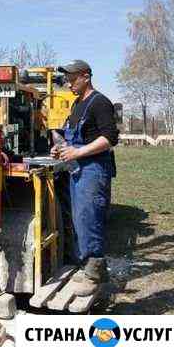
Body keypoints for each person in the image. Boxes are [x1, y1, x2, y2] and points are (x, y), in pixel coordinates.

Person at [51, 60, 119, 296]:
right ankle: (89, 268)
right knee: (80, 221)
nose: (68, 83)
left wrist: (78, 152)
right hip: (78, 170)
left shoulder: (99, 102)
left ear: (86, 76)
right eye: (67, 79)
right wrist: (62, 148)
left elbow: (110, 138)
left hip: (93, 170)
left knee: (90, 220)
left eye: (72, 78)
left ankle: (93, 276)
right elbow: (73, 138)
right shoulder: (77, 104)